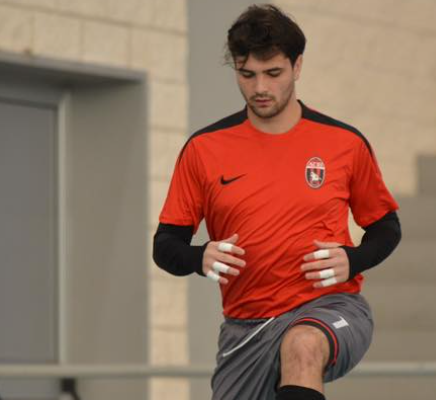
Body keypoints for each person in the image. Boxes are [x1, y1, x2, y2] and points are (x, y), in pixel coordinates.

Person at [153, 4, 402, 400]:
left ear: (297, 66)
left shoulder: (345, 143)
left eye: (273, 73)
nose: (260, 88)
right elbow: (165, 245)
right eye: (246, 74)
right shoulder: (203, 149)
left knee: (302, 346)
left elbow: (387, 227)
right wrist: (199, 257)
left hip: (330, 307)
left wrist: (353, 258)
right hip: (246, 327)